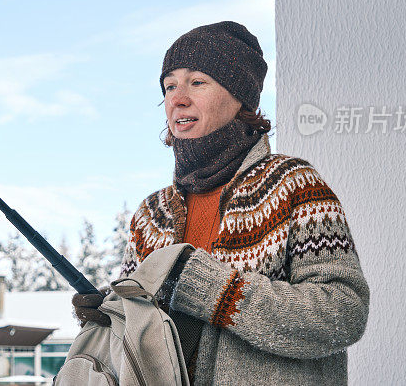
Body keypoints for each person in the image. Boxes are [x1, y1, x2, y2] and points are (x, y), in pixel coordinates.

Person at [72, 21, 369, 385]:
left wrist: (217, 292)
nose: (177, 98)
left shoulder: (294, 185)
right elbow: (138, 330)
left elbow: (343, 313)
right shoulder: (153, 214)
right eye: (170, 86)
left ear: (240, 96)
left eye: (197, 82)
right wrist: (109, 311)